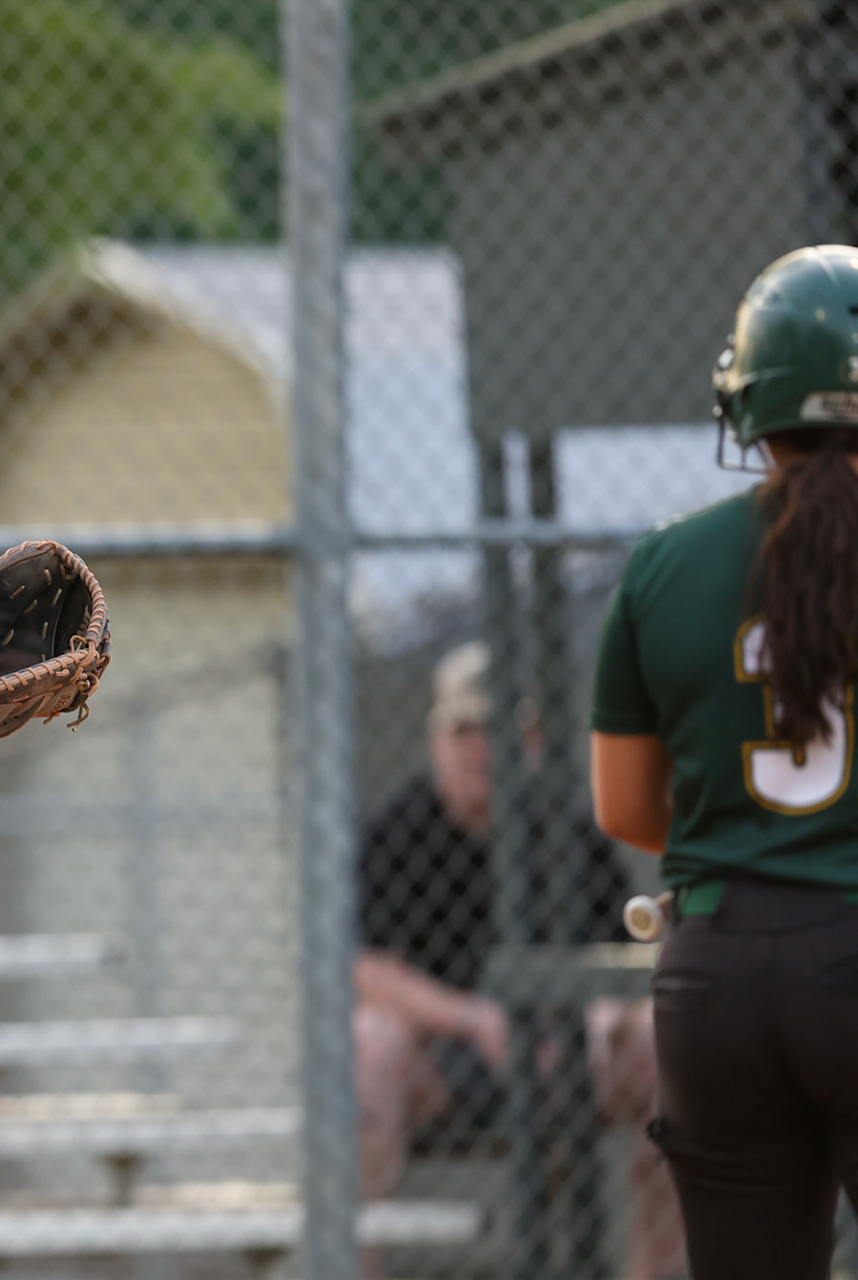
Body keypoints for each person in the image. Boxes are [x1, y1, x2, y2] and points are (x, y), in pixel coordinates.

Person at [592, 243, 858, 1279]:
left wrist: (760, 847)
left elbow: (624, 805)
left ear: (747, 396)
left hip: (719, 975)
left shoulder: (666, 561)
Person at [358, 641, 680, 1278]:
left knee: (667, 1044)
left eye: (500, 730)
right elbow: (366, 971)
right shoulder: (399, 828)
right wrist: (474, 1019)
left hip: (569, 1052)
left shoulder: (565, 832)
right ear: (437, 741)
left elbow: (630, 950)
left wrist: (604, 1014)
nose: (482, 748)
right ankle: (356, 1267)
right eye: (466, 730)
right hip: (447, 1056)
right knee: (368, 1040)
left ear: (530, 742)